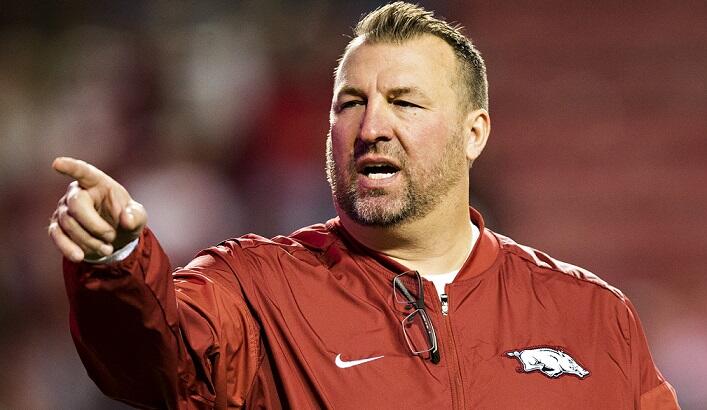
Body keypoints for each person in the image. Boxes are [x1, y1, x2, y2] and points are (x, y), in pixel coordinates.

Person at [48, 2, 680, 409]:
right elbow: (152, 360)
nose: (371, 125)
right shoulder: (255, 292)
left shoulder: (595, 317)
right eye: (350, 103)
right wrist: (116, 261)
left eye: (404, 102)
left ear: (474, 133)